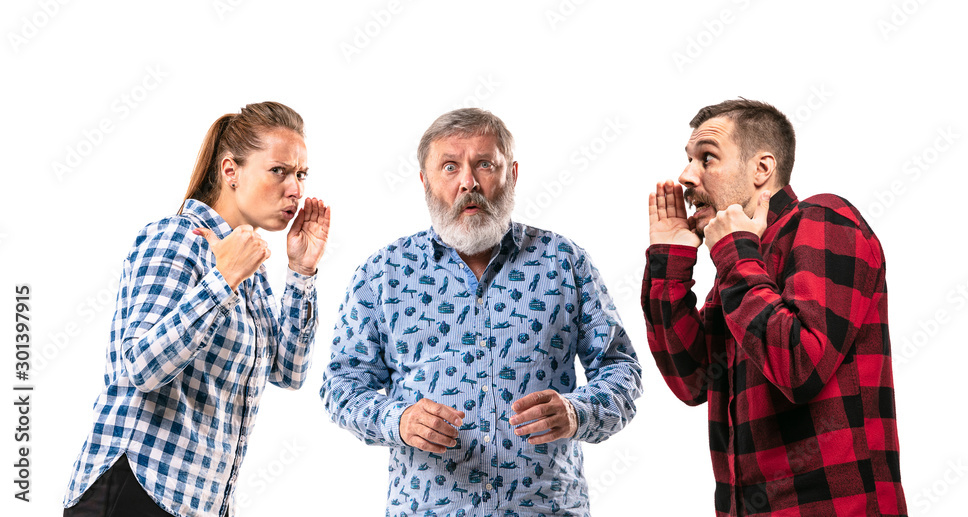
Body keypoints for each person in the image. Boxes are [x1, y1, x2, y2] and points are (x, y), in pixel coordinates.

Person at [320, 107, 642, 516]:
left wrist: (577, 413)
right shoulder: (382, 273)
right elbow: (341, 385)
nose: (468, 182)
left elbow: (621, 369)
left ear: (513, 173)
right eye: (450, 166)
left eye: (485, 164)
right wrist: (397, 420)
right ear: (424, 182)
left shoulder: (565, 262)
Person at [63, 101, 331, 517]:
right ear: (230, 172)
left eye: (301, 174)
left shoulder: (251, 269)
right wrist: (221, 281)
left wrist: (301, 271)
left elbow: (289, 372)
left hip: (197, 505)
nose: (295, 189)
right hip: (135, 491)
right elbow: (140, 366)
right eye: (279, 171)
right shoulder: (175, 239)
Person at [642, 99, 907, 516]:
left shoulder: (822, 219)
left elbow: (801, 367)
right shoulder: (742, 264)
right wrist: (669, 264)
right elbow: (691, 381)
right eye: (688, 160)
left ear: (762, 170)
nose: (686, 176)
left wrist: (733, 256)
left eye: (706, 158)